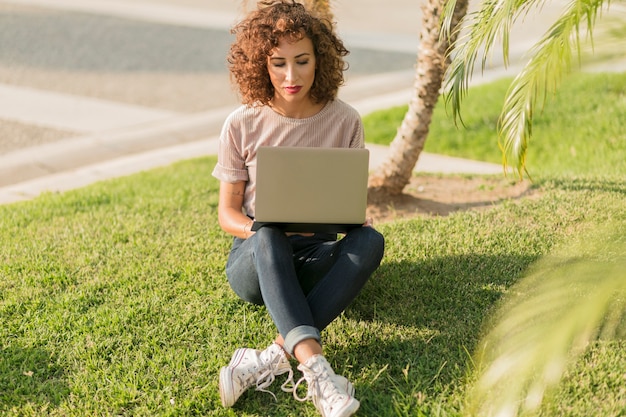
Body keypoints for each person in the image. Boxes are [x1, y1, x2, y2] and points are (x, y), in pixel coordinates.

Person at [212, 1, 385, 416]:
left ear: (320, 60)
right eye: (279, 63)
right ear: (261, 65)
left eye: (302, 61)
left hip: (315, 255)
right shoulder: (242, 123)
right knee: (269, 232)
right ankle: (317, 370)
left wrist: (352, 219)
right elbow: (227, 215)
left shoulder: (346, 121)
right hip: (256, 261)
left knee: (371, 240)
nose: (292, 76)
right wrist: (259, 230)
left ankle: (268, 359)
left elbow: (348, 209)